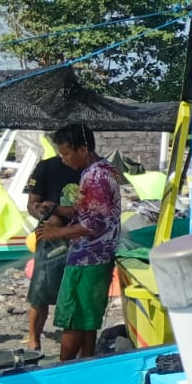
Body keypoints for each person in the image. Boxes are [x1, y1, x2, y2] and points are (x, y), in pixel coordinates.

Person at [32, 124, 121, 361]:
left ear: (83, 149)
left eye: (66, 153)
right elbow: (91, 212)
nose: (63, 159)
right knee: (87, 318)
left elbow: (93, 224)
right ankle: (86, 363)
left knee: (73, 318)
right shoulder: (105, 169)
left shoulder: (94, 177)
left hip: (87, 258)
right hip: (101, 256)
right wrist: (57, 209)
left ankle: (64, 366)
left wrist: (57, 233)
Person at [24, 144, 81, 352]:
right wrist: (47, 217)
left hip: (81, 237)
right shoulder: (46, 167)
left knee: (76, 294)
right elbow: (32, 204)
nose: (65, 157)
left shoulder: (91, 169)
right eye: (62, 152)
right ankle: (34, 341)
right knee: (40, 293)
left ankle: (75, 345)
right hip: (50, 237)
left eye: (68, 151)